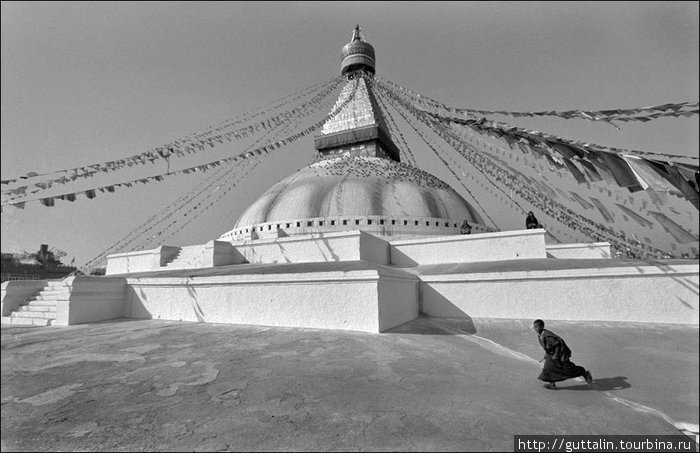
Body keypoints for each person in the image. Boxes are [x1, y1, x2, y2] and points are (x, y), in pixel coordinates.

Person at [533, 319, 593, 390]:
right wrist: (546, 354)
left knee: (568, 370)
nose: (535, 328)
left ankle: (584, 373)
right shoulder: (540, 335)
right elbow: (548, 347)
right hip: (551, 354)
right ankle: (552, 384)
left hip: (561, 354)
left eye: (537, 326)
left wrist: (555, 355)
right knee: (548, 368)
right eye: (534, 327)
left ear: (542, 326)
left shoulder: (547, 335)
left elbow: (557, 344)